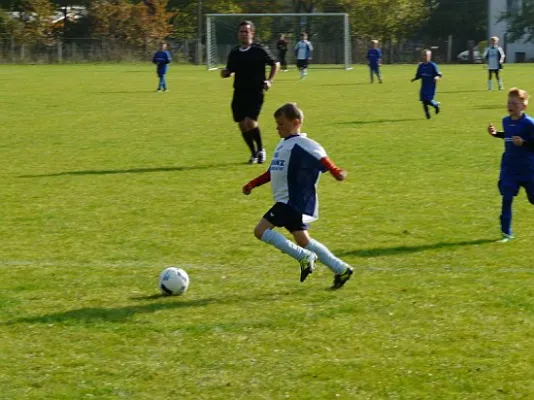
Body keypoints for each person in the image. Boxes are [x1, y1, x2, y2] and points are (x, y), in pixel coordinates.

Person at [242, 103, 354, 289]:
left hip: (290, 201)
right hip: (287, 202)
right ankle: (341, 269)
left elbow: (322, 158)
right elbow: (273, 171)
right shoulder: (283, 145)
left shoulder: (303, 144)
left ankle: (304, 257)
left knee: (260, 231)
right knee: (303, 240)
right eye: (277, 124)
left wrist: (336, 171)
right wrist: (253, 183)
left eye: (281, 124)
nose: (278, 128)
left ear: (296, 123)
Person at [221, 21, 279, 164]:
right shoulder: (234, 53)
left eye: (246, 31)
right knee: (242, 124)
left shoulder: (259, 50)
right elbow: (230, 70)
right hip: (239, 92)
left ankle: (261, 150)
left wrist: (269, 81)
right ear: (238, 34)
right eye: (241, 31)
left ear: (252, 33)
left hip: (256, 92)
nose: (243, 34)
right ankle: (253, 154)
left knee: (250, 122)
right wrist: (225, 73)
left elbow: (275, 64)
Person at [487, 87, 534, 242]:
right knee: (506, 197)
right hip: (509, 167)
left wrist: (524, 143)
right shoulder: (506, 121)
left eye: (514, 103)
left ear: (523, 106)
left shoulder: (529, 123)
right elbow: (508, 135)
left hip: (528, 169)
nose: (510, 105)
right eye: (509, 102)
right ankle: (506, 233)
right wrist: (496, 134)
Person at [411, 49, 442, 119]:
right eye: (424, 55)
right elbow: (419, 75)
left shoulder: (433, 65)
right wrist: (414, 79)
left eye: (426, 55)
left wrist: (437, 77)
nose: (425, 57)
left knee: (428, 100)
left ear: (430, 56)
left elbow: (439, 74)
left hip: (431, 86)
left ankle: (436, 105)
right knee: (423, 101)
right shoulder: (421, 66)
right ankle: (427, 114)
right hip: (423, 86)